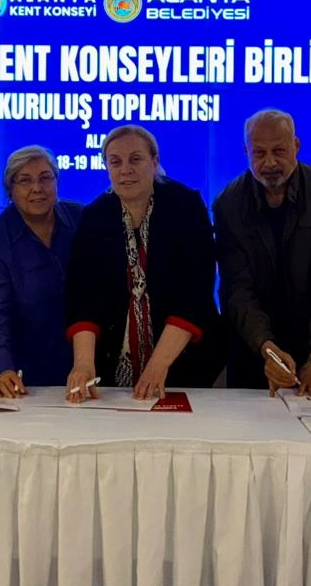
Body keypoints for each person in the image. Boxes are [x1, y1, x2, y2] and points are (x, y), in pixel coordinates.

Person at [64, 125, 224, 402]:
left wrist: (158, 365)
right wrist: (83, 364)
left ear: (154, 161)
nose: (125, 170)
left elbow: (194, 293)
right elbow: (83, 296)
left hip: (184, 361)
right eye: (115, 162)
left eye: (135, 159)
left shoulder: (186, 207)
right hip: (113, 362)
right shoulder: (94, 216)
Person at [213, 110, 311, 395]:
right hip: (253, 349)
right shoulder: (228, 203)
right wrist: (267, 349)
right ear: (246, 151)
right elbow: (237, 289)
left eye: (279, 151)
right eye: (259, 153)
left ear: (296, 146)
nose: (270, 162)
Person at [0, 146, 83, 399]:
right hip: (19, 370)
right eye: (25, 180)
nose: (37, 188)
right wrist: (2, 369)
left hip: (79, 366)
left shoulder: (80, 219)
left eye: (46, 178)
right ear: (10, 190)